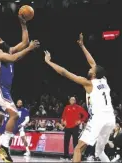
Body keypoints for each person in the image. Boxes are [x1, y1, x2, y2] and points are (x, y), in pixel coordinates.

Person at [44, 33, 115, 162]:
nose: (89, 69)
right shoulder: (103, 80)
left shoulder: (88, 83)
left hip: (98, 118)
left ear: (94, 74)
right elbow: (92, 62)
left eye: (91, 70)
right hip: (110, 119)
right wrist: (82, 46)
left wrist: (49, 62)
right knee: (99, 152)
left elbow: (64, 72)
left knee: (78, 149)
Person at [0, 16, 40, 162]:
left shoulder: (10, 50)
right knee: (14, 114)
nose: (2, 40)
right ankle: (3, 145)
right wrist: (29, 49)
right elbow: (14, 58)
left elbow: (25, 41)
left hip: (5, 88)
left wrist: (23, 25)